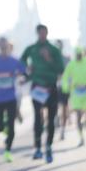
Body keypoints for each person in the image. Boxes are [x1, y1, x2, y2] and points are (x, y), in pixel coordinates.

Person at [20, 24, 65, 163]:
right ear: (37, 33)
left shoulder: (54, 50)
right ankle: (38, 148)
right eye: (40, 33)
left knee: (51, 119)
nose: (42, 35)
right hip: (37, 87)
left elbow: (61, 69)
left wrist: (49, 59)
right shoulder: (31, 49)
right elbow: (21, 62)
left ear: (47, 33)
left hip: (50, 87)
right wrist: (27, 69)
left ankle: (49, 147)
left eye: (44, 33)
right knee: (38, 118)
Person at [61, 46, 86, 145]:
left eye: (80, 54)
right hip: (76, 93)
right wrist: (66, 87)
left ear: (83, 54)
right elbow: (65, 77)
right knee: (78, 116)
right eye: (77, 54)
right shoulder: (71, 64)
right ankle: (81, 137)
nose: (79, 56)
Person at [55, 39, 71, 141]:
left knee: (64, 108)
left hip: (64, 87)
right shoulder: (50, 59)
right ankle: (55, 120)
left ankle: (62, 131)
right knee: (53, 108)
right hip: (53, 86)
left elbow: (71, 73)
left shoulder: (66, 59)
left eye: (59, 46)